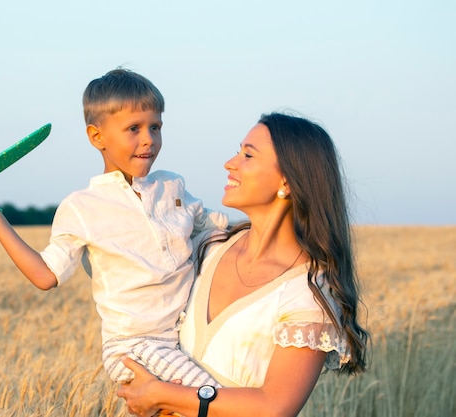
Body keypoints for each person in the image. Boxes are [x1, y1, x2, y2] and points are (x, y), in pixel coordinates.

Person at [0, 68, 228, 387]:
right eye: (134, 129)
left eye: (155, 127)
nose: (149, 139)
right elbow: (45, 275)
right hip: (135, 347)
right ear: (97, 137)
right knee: (213, 396)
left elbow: (213, 226)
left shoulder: (171, 186)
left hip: (184, 334)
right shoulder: (83, 207)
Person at [117, 112, 370, 417]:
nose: (230, 163)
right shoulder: (209, 247)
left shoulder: (306, 291)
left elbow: (273, 407)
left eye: (248, 154)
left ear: (287, 181)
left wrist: (165, 395)